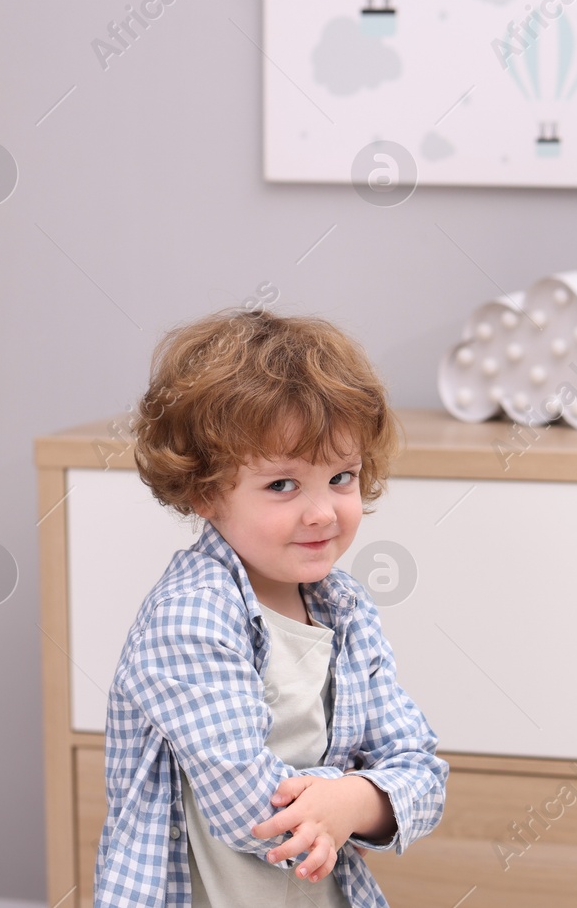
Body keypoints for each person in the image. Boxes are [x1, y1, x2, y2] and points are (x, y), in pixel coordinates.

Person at [95, 308, 449, 908]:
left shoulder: (347, 609)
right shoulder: (190, 618)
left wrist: (352, 804)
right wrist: (360, 797)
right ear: (206, 491)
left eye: (341, 477)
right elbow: (250, 814)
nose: (322, 512)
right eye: (282, 486)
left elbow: (423, 775)